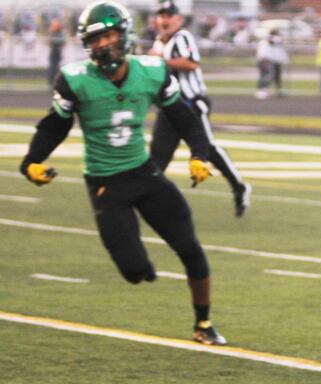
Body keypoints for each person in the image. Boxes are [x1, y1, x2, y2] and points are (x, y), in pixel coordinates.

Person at [19, 1, 226, 346]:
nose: (103, 44)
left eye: (109, 35)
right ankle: (141, 269)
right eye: (95, 39)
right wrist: (31, 161)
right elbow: (55, 125)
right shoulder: (75, 78)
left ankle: (203, 324)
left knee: (190, 248)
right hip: (105, 183)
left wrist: (199, 155)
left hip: (144, 174)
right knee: (134, 271)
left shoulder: (153, 71)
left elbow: (184, 117)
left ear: (124, 34)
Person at [148, 0, 251, 217]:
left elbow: (192, 62)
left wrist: (161, 60)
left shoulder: (182, 37)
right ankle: (149, 201)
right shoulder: (158, 42)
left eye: (169, 15)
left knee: (208, 149)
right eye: (161, 15)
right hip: (168, 108)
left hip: (191, 104)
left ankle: (239, 186)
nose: (164, 19)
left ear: (179, 19)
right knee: (157, 157)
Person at [255, 29, 289, 99]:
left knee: (275, 76)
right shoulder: (268, 40)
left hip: (273, 61)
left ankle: (274, 91)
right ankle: (262, 91)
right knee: (268, 75)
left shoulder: (271, 41)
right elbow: (271, 41)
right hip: (265, 60)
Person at [47, 18, 65, 88]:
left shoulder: (61, 32)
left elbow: (63, 41)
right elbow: (50, 42)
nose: (55, 27)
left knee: (56, 68)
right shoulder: (51, 32)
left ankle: (56, 83)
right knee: (52, 68)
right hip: (53, 52)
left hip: (58, 51)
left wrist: (55, 41)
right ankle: (50, 83)